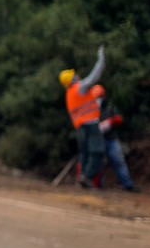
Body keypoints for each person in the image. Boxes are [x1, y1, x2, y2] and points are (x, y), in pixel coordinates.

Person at [59, 45, 106, 189]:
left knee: (84, 154)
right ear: (72, 79)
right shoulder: (80, 88)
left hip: (80, 127)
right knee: (97, 151)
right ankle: (87, 176)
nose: (77, 75)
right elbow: (95, 75)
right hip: (90, 125)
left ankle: (83, 180)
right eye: (74, 75)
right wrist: (101, 58)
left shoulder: (70, 94)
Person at [96, 89, 138, 191]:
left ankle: (128, 185)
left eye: (99, 97)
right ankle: (97, 187)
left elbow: (119, 118)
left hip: (111, 139)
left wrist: (110, 122)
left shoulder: (110, 107)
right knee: (97, 164)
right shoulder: (91, 109)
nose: (98, 99)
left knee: (119, 161)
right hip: (98, 141)